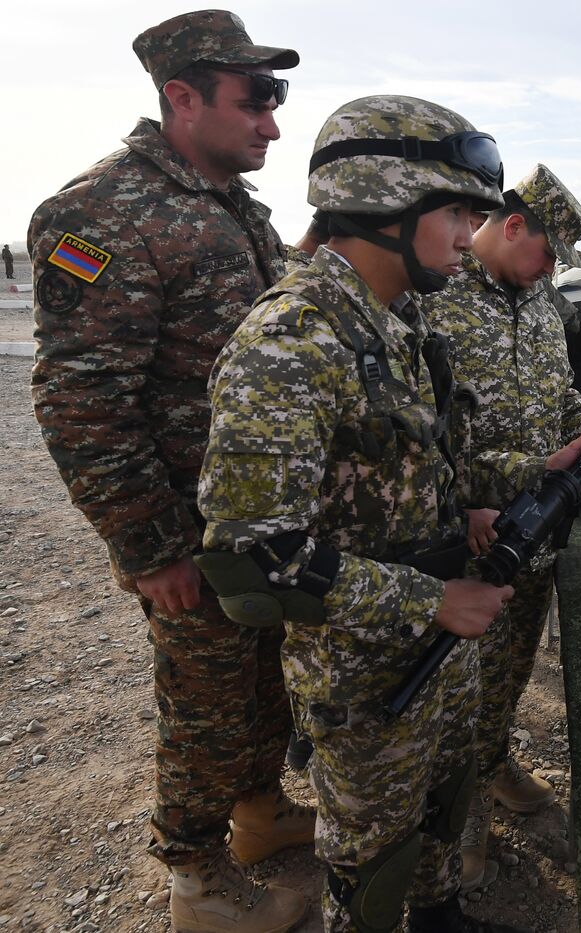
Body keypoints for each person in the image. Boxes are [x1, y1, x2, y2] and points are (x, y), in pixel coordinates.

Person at [198, 94, 581, 933]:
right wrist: (433, 600)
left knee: (444, 809)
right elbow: (251, 562)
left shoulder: (399, 322)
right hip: (367, 674)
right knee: (373, 858)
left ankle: (444, 913)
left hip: (438, 655)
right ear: (385, 199)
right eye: (455, 212)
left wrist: (538, 472)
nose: (467, 233)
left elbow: (430, 466)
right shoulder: (292, 341)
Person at [29, 11, 308, 932]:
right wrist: (150, 548)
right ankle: (196, 877)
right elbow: (82, 398)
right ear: (180, 97)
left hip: (257, 523)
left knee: (265, 680)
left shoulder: (239, 209)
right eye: (255, 98)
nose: (272, 121)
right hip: (187, 534)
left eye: (278, 98)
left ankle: (258, 817)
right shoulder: (99, 213)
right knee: (205, 703)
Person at [423, 164, 581, 887]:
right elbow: (424, 448)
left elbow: (561, 395)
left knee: (507, 675)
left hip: (535, 539)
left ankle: (491, 765)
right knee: (451, 698)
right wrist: (539, 464)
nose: (553, 271)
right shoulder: (435, 301)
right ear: (514, 225)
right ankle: (460, 830)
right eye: (550, 255)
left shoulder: (540, 303)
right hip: (468, 542)